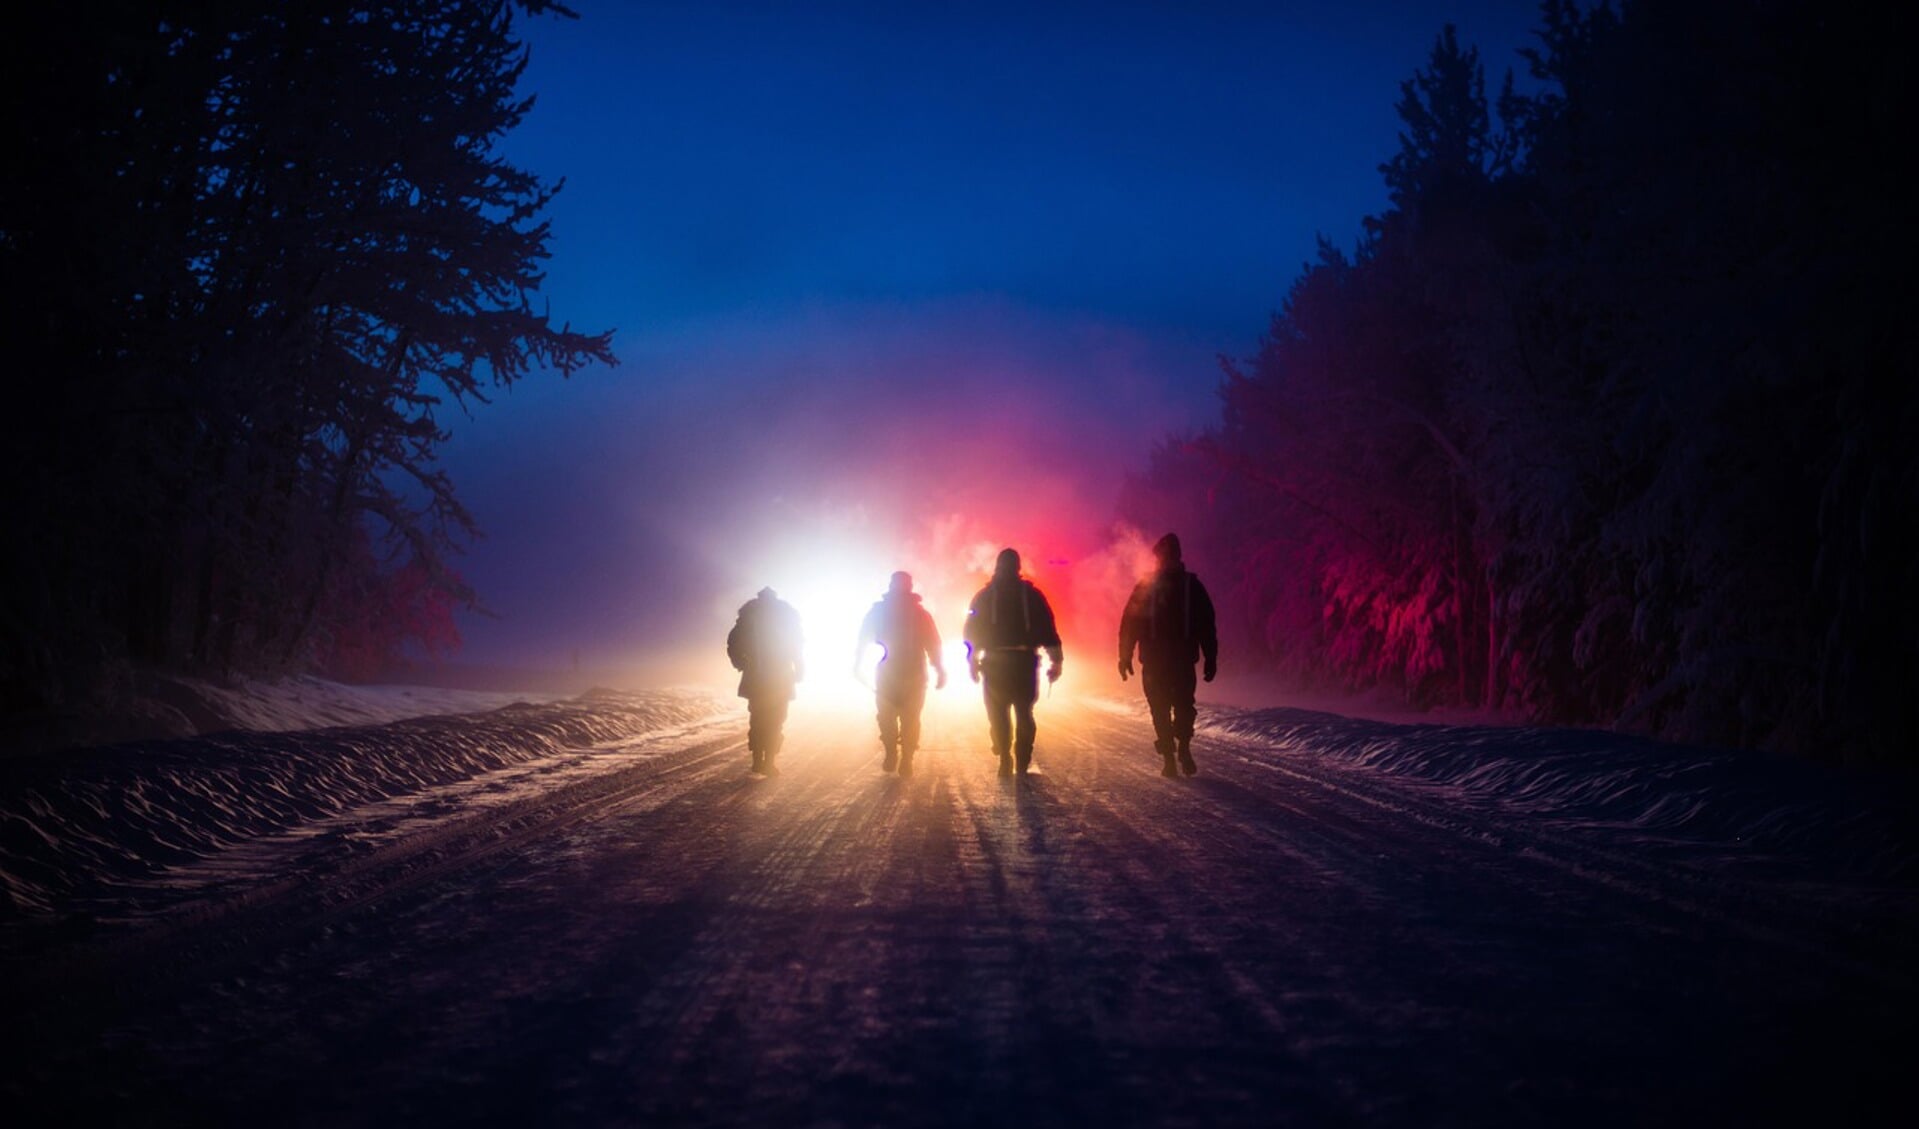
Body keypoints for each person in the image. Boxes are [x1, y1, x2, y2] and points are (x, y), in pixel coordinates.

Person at [1119, 533, 1218, 777]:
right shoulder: (1191, 586)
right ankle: (1178, 752)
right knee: (1178, 707)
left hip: (1160, 661)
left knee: (1164, 708)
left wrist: (1125, 657)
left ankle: (1174, 756)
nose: (1164, 560)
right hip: (1177, 660)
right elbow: (1207, 625)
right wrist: (1210, 657)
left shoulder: (1150, 587)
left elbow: (1129, 624)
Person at [962, 548, 1063, 778]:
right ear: (1018, 567)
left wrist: (972, 660)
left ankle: (1005, 755)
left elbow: (971, 630)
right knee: (1024, 712)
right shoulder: (1032, 596)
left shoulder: (984, 596)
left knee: (997, 711)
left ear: (997, 566)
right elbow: (1048, 628)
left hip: (994, 663)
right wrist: (1056, 660)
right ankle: (1022, 758)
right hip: (1024, 662)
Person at [855, 571, 947, 777]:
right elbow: (933, 644)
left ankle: (897, 755)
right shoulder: (920, 613)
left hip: (891, 671)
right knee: (908, 718)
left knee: (890, 716)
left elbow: (863, 638)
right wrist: (939, 668)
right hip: (911, 671)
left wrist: (857, 663)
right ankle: (904, 757)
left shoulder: (879, 611)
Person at [727, 586, 804, 776]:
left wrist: (740, 663)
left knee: (758, 717)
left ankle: (758, 760)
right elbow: (797, 646)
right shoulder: (786, 614)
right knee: (776, 719)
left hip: (756, 676)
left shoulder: (749, 614)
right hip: (781, 675)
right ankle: (768, 761)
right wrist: (800, 669)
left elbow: (732, 644)